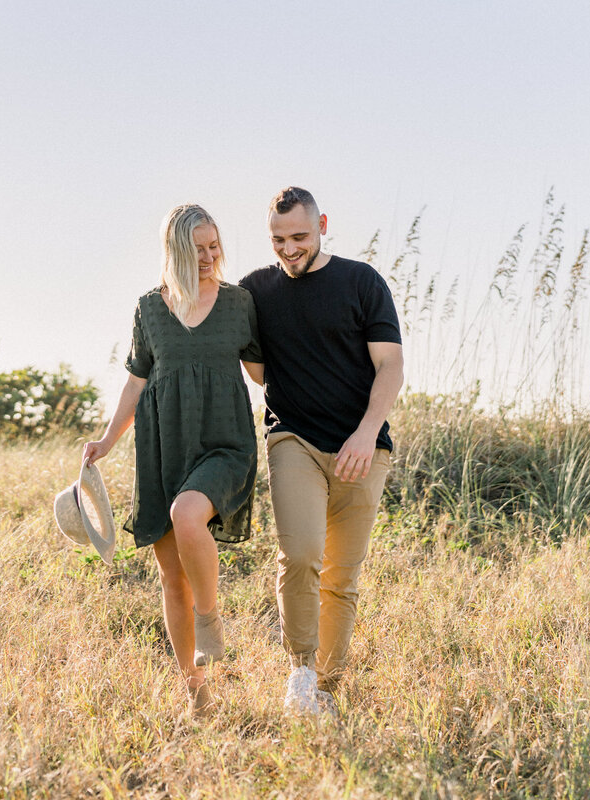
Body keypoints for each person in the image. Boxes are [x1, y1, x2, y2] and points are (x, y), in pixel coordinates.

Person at [82, 204, 263, 717]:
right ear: (175, 252)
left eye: (214, 246)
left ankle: (210, 621)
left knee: (189, 514)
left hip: (224, 443)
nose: (209, 257)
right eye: (197, 249)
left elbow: (263, 372)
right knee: (170, 577)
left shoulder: (239, 303)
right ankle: (197, 694)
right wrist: (106, 440)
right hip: (163, 447)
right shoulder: (148, 309)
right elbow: (137, 381)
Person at [239, 186, 404, 715]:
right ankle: (302, 675)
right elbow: (259, 371)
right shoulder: (256, 291)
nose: (288, 249)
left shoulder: (362, 281)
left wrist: (365, 431)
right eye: (278, 240)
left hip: (362, 446)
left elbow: (391, 366)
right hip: (294, 438)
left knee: (342, 575)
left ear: (323, 225)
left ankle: (328, 691)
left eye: (299, 237)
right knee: (302, 553)